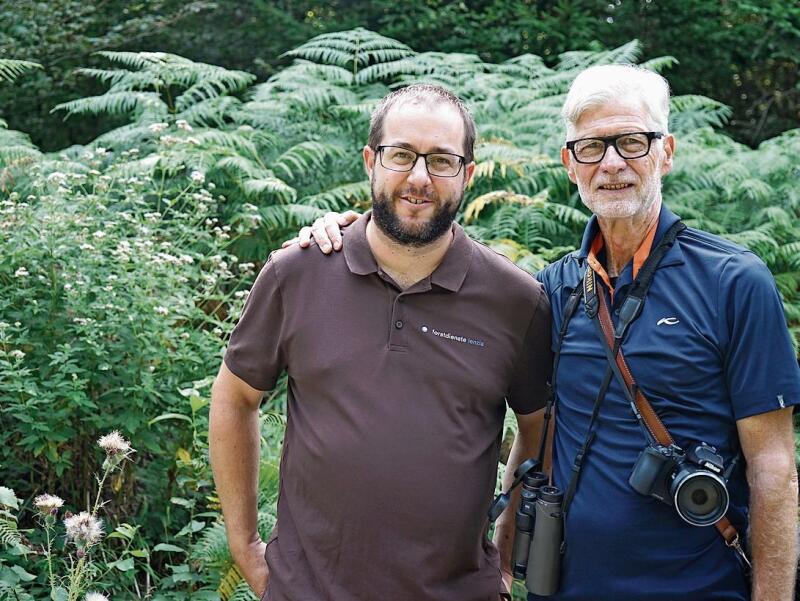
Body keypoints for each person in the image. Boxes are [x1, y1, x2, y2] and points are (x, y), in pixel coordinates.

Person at [289, 65, 800, 600]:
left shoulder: (732, 283)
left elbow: (774, 467)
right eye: (591, 147)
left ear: (665, 152)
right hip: (564, 587)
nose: (611, 164)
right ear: (569, 163)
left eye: (631, 142)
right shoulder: (550, 291)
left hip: (700, 588)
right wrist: (352, 230)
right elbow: (535, 436)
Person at [209, 83, 553, 601]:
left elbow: (538, 432)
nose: (419, 178)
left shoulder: (515, 300)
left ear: (468, 174)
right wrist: (245, 546)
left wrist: (505, 561)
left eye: (441, 160)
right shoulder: (297, 273)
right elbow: (235, 398)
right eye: (401, 155)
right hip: (307, 591)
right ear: (371, 160)